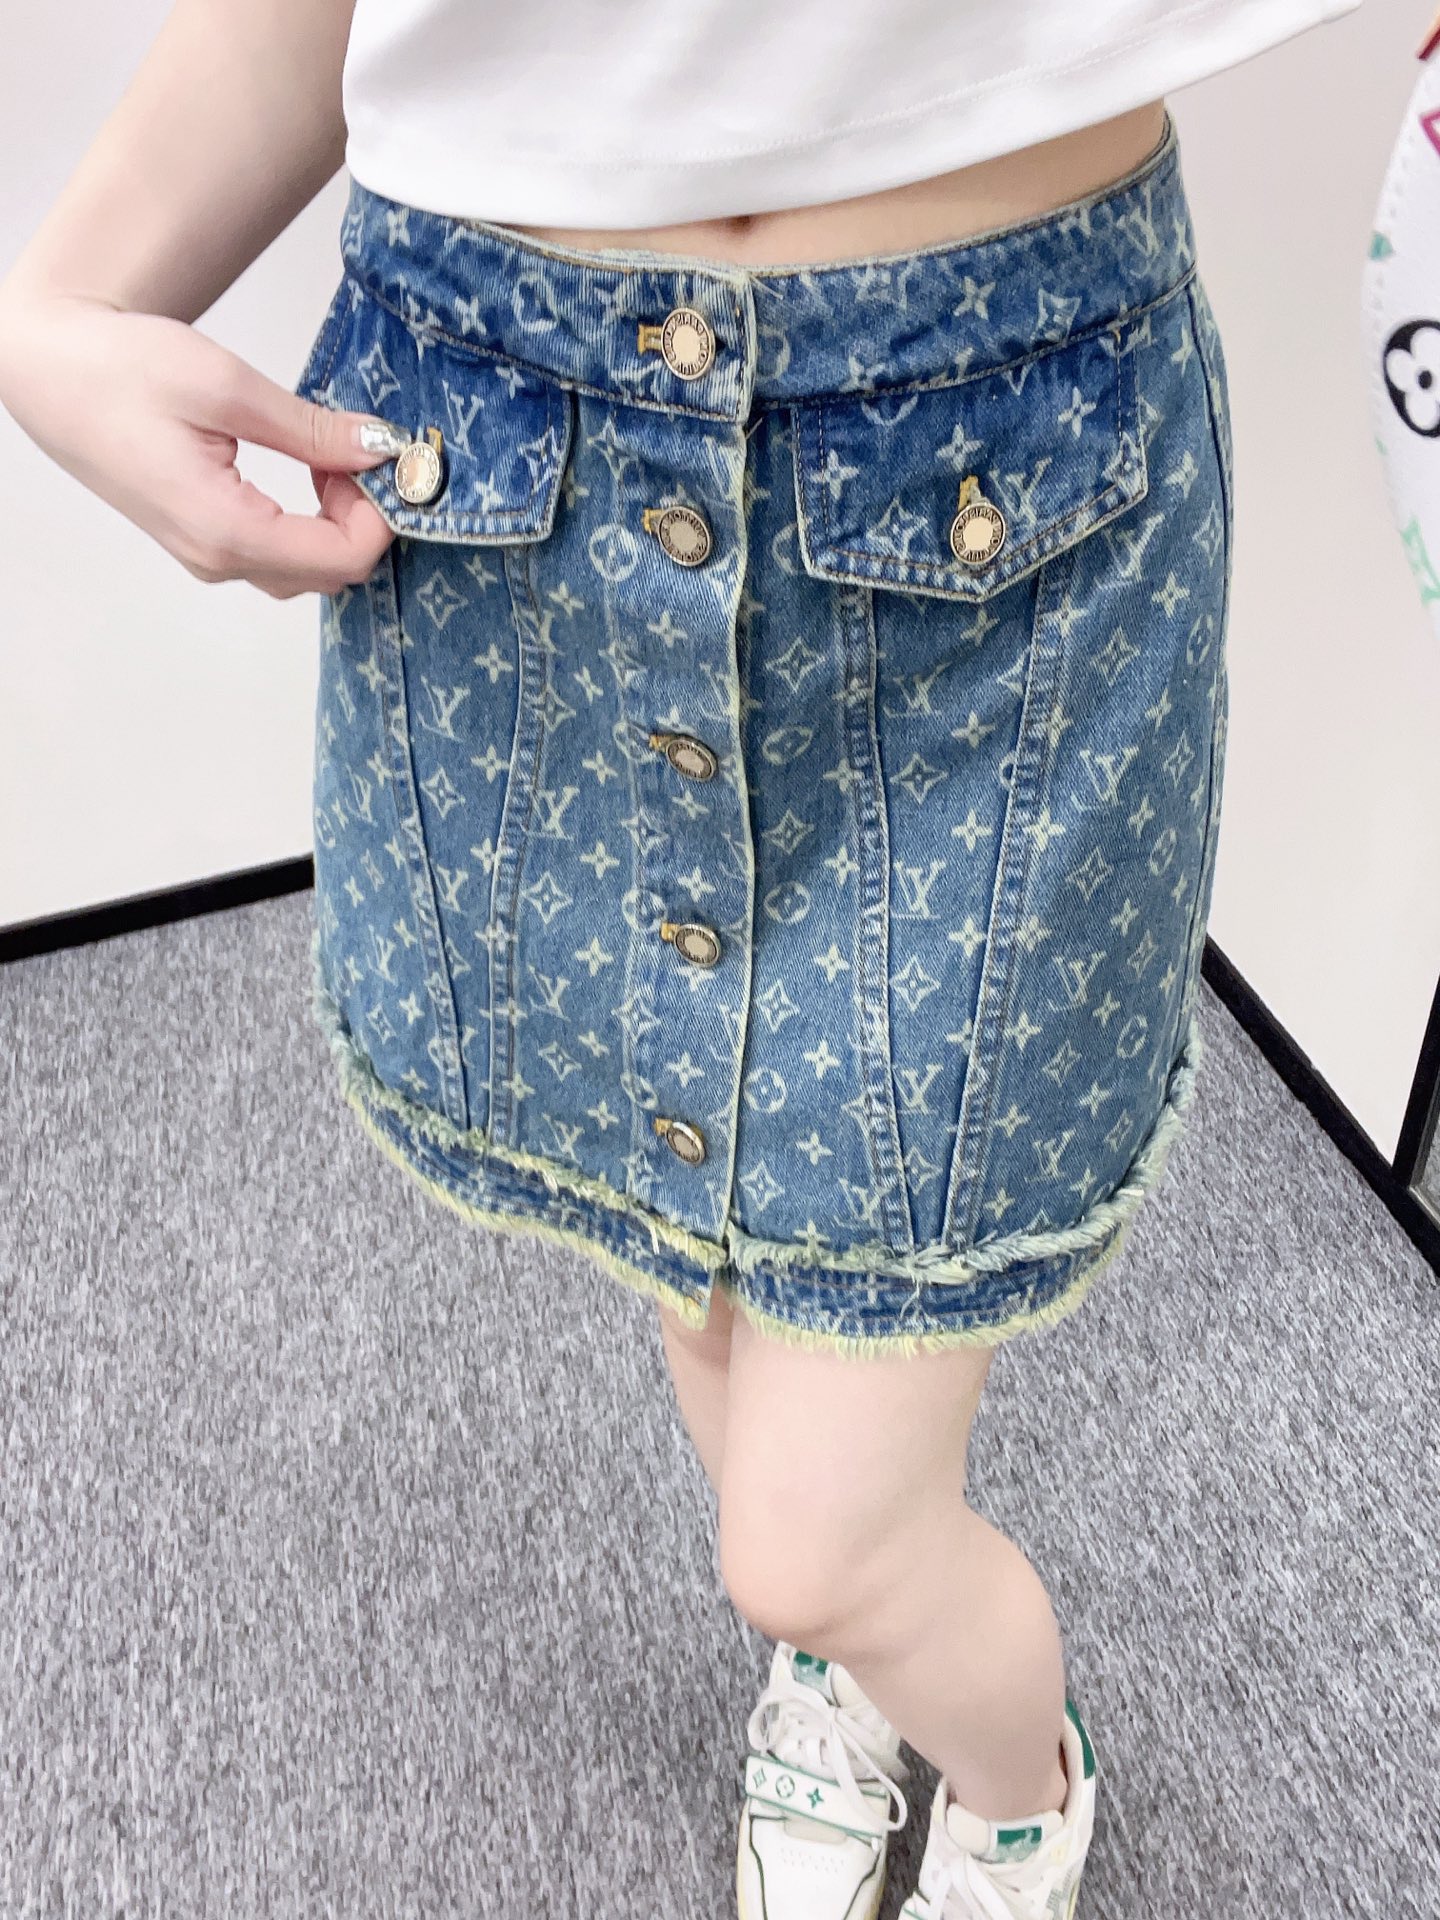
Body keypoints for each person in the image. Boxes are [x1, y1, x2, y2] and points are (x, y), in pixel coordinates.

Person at [0, 3, 1360, 1915]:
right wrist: (55, 305)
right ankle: (844, 1659)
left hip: (998, 442)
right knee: (698, 1246)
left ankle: (1017, 1785)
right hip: (512, 463)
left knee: (813, 1536)